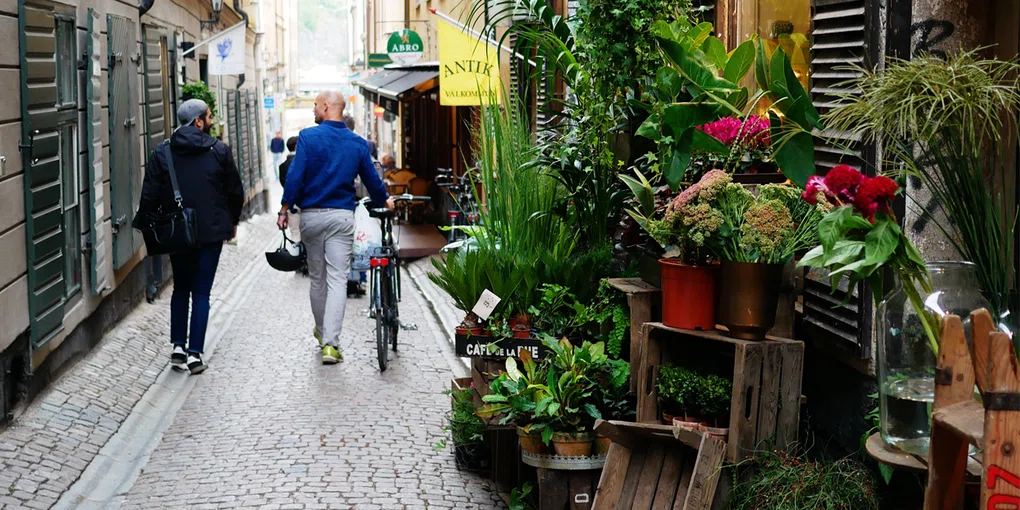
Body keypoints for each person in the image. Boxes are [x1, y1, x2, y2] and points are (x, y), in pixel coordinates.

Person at [278, 91, 394, 365]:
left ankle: (321, 333)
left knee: (317, 279)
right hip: (341, 217)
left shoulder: (308, 137)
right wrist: (385, 200)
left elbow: (295, 177)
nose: (313, 109)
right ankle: (331, 344)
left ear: (327, 106)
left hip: (311, 217)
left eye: (315, 105)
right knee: (338, 280)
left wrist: (285, 208)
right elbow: (372, 180)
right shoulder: (357, 143)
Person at [138, 99, 243, 374]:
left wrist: (152, 225)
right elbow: (235, 191)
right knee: (201, 292)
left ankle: (177, 347)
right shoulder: (219, 150)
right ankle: (195, 354)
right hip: (211, 232)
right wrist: (232, 221)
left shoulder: (163, 152)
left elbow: (149, 195)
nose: (211, 121)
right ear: (198, 121)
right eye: (208, 116)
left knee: (181, 288)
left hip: (178, 232)